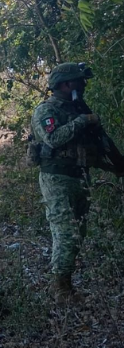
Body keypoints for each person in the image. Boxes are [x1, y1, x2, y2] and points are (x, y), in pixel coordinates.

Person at [31, 62, 124, 303]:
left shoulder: (77, 109)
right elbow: (52, 139)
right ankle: (61, 289)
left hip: (80, 176)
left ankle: (67, 285)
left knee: (79, 232)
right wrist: (83, 121)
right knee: (66, 233)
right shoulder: (46, 110)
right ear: (66, 84)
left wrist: (115, 166)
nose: (82, 85)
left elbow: (93, 148)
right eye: (79, 81)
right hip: (56, 178)